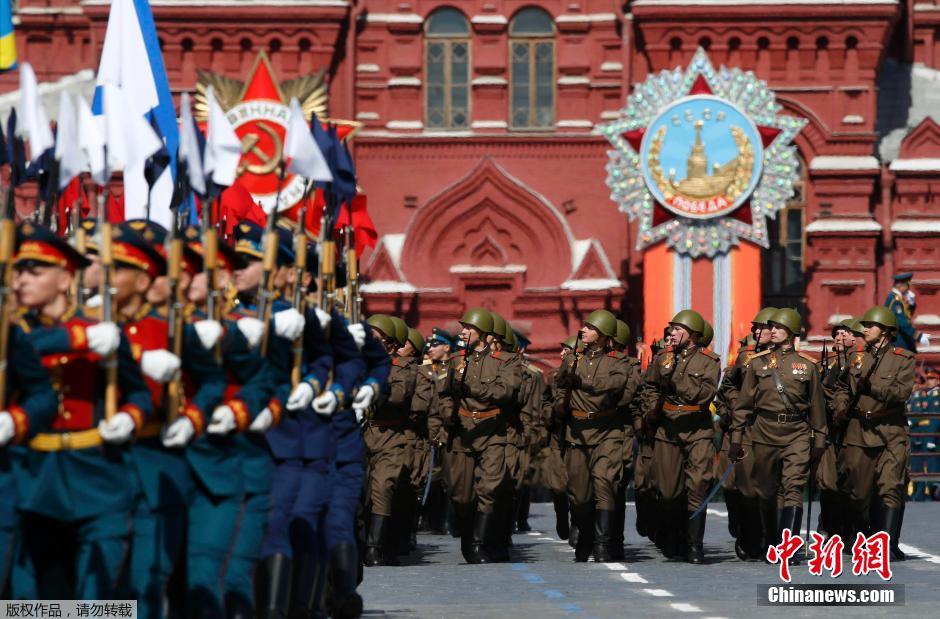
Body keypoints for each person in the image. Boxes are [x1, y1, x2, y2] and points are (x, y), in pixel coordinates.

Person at [11, 221, 153, 599]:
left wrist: (128, 418)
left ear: (64, 278)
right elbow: (28, 346)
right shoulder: (18, 331)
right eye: (19, 271)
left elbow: (139, 395)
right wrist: (76, 337)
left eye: (34, 271)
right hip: (37, 477)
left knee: (99, 598)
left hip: (98, 475)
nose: (21, 280)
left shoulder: (101, 329)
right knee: (39, 602)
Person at [115, 221, 226, 618]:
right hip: (91, 465)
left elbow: (213, 380)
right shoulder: (87, 324)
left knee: (148, 576)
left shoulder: (171, 328)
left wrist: (193, 419)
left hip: (155, 457)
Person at [729, 309, 826, 559]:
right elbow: (743, 405)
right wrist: (737, 439)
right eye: (770, 327)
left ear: (791, 332)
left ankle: (789, 549)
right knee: (767, 492)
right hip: (763, 434)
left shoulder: (808, 366)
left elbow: (817, 407)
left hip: (797, 435)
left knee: (793, 488)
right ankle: (772, 540)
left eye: (778, 327)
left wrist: (820, 442)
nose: (771, 331)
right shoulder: (757, 363)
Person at [437, 308, 521, 564]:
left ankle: (478, 543)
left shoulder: (505, 361)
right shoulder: (456, 360)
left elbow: (506, 391)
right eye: (463, 327)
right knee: (461, 494)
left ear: (483, 334)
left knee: (488, 488)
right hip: (462, 433)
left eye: (469, 328)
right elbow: (444, 396)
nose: (463, 332)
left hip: (492, 431)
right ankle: (467, 538)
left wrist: (472, 388)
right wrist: (447, 414)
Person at [833, 306, 915, 560]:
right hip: (858, 431)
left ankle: (888, 545)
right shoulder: (855, 357)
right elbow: (841, 387)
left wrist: (874, 387)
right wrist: (839, 407)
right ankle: (864, 536)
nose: (864, 329)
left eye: (870, 325)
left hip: (890, 431)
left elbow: (900, 394)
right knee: (858, 490)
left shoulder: (904, 359)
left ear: (886, 331)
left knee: (891, 486)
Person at [641, 309, 720, 564]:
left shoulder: (709, 361)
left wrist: (678, 387)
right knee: (667, 490)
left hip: (697, 429)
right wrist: (652, 410)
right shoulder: (662, 358)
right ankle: (674, 537)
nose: (672, 334)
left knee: (697, 486)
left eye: (677, 330)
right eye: (671, 329)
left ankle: (694, 545)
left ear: (693, 335)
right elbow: (649, 386)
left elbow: (706, 393)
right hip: (667, 430)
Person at [555, 309, 631, 562]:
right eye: (584, 326)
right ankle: (586, 535)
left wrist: (584, 384)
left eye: (590, 327)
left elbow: (616, 385)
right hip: (576, 433)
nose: (583, 330)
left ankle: (602, 543)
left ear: (602, 335)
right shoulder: (572, 360)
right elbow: (560, 390)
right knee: (579, 493)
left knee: (605, 484)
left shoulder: (618, 361)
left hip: (606, 431)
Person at [716, 307, 776, 560]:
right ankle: (747, 534)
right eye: (756, 328)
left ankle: (769, 538)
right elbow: (727, 387)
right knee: (742, 485)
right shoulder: (745, 357)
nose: (759, 332)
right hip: (745, 429)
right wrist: (736, 404)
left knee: (769, 486)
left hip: (773, 429)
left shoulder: (787, 359)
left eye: (764, 328)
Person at [885, 272, 928, 353]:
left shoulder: (899, 298)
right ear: (900, 285)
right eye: (907, 285)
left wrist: (911, 304)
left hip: (903, 340)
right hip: (899, 341)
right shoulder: (895, 300)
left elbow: (907, 315)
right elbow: (901, 322)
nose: (908, 288)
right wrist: (918, 336)